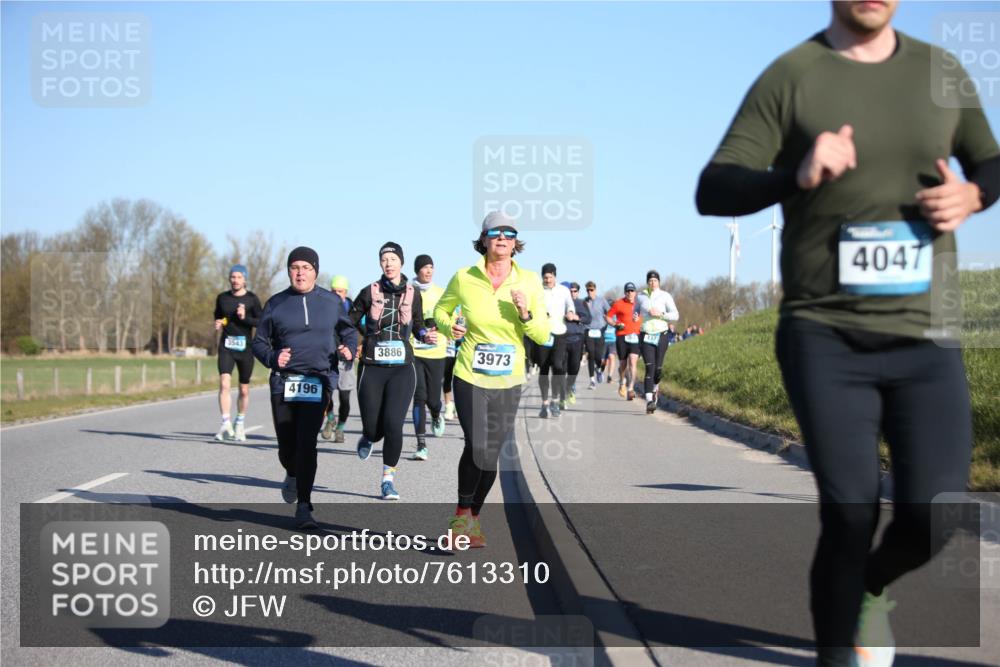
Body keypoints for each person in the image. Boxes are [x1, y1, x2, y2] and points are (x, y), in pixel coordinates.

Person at [695, 1, 999, 665]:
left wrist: (975, 195)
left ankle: (871, 584)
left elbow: (991, 162)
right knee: (850, 511)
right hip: (824, 333)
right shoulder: (794, 74)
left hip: (925, 334)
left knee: (936, 511)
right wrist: (795, 173)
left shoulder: (939, 70)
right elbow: (712, 189)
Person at [434, 211, 549, 547]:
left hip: (508, 380)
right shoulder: (464, 277)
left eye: (509, 234)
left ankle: (473, 519)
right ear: (483, 239)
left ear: (515, 243)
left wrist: (525, 313)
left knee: (490, 454)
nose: (502, 238)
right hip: (470, 374)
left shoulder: (529, 281)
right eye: (496, 232)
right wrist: (449, 327)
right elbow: (440, 311)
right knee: (477, 445)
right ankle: (460, 518)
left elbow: (542, 335)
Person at [252, 247, 356, 529]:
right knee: (287, 447)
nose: (300, 273)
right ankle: (292, 472)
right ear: (289, 271)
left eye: (306, 268)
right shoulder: (276, 303)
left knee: (307, 442)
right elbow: (258, 342)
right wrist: (273, 357)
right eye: (294, 267)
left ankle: (304, 505)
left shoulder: (331, 302)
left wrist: (349, 350)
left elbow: (348, 331)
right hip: (283, 382)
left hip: (318, 380)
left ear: (315, 271)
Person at [350, 242, 433, 501]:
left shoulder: (412, 293)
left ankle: (388, 480)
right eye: (384, 259)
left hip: (402, 369)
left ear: (401, 263)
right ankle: (368, 436)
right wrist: (353, 342)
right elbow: (348, 321)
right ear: (380, 263)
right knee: (374, 428)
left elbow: (418, 323)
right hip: (372, 368)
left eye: (393, 259)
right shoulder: (369, 291)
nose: (388, 264)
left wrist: (424, 335)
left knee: (394, 424)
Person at [212, 264, 263, 442]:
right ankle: (225, 423)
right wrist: (220, 322)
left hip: (245, 348)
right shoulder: (222, 298)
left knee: (244, 389)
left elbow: (261, 322)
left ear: (245, 279)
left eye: (239, 277)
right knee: (224, 384)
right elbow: (220, 316)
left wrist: (244, 317)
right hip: (226, 346)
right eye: (233, 277)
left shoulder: (252, 299)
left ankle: (239, 422)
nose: (235, 280)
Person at [410, 254, 449, 461]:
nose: (428, 271)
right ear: (417, 270)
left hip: (436, 351)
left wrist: (441, 329)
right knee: (419, 396)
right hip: (414, 352)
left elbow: (450, 319)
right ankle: (421, 444)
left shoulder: (441, 293)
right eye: (424, 267)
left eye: (431, 267)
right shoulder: (408, 292)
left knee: (433, 400)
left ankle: (435, 414)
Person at [536, 263, 577, 417]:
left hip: (560, 332)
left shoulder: (563, 290)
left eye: (550, 277)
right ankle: (544, 403)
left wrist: (571, 312)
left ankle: (554, 400)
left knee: (558, 367)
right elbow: (532, 307)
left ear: (555, 276)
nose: (547, 280)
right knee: (544, 368)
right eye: (545, 278)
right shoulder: (538, 290)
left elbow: (570, 305)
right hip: (543, 334)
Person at [636, 270, 679, 414]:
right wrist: (635, 316)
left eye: (655, 280)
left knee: (658, 369)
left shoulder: (665, 296)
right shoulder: (640, 296)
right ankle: (649, 401)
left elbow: (676, 315)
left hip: (661, 335)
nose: (652, 283)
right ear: (647, 282)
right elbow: (636, 310)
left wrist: (661, 314)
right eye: (650, 281)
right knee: (649, 367)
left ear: (659, 282)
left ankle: (655, 389)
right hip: (646, 335)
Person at [321, 275, 356, 444]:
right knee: (326, 393)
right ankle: (330, 419)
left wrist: (357, 347)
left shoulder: (354, 309)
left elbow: (362, 328)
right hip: (328, 356)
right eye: (333, 291)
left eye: (340, 291)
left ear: (345, 292)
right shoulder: (324, 307)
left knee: (345, 398)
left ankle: (340, 427)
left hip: (346, 358)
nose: (336, 294)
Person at [606, 283, 642, 401]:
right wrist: (615, 324)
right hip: (622, 336)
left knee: (632, 361)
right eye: (627, 291)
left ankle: (631, 389)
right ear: (625, 292)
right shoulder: (618, 303)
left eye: (632, 291)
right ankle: (622, 381)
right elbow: (608, 317)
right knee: (623, 364)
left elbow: (647, 316)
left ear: (635, 292)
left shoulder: (640, 304)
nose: (630, 293)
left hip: (635, 336)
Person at [564, 281, 591, 403]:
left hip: (577, 339)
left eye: (575, 291)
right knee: (562, 367)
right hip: (562, 338)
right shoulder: (562, 302)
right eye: (570, 291)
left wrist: (577, 318)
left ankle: (570, 387)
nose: (572, 293)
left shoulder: (581, 303)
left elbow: (588, 319)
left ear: (578, 292)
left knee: (574, 367)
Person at [583, 281, 611, 388]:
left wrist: (607, 322)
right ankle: (592, 381)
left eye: (591, 290)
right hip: (588, 330)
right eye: (588, 290)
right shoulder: (584, 301)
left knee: (599, 356)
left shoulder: (602, 300)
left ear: (595, 290)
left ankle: (598, 369)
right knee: (591, 354)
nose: (590, 292)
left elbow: (610, 312)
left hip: (600, 330)